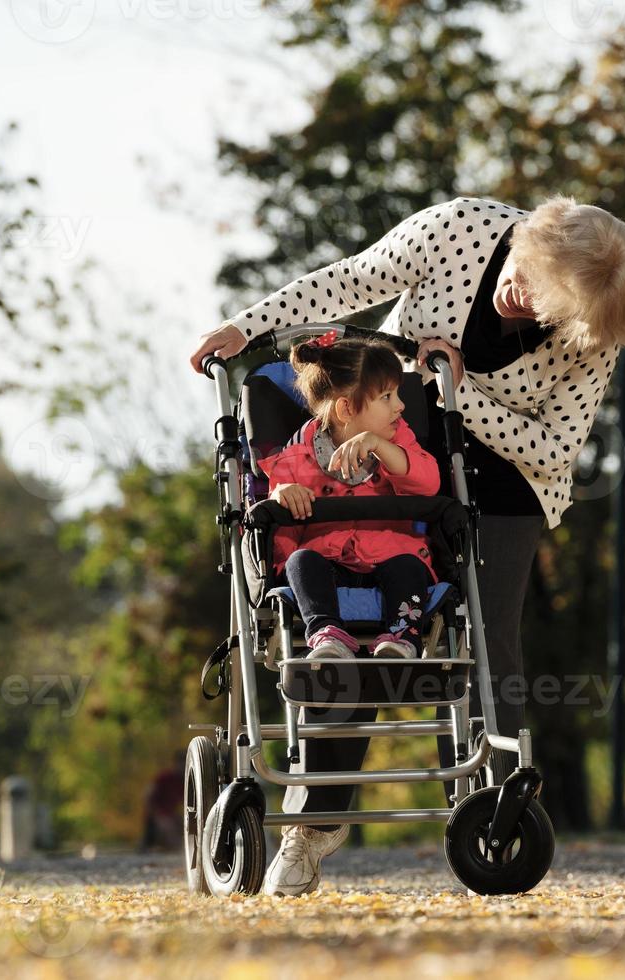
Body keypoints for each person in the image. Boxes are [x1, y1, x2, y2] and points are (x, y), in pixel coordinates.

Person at [191, 195, 625, 887]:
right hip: (401, 435)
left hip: (511, 477)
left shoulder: (591, 325)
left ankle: (495, 805)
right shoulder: (460, 228)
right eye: (525, 281)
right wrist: (247, 326)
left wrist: (458, 391)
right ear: (525, 239)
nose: (520, 303)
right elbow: (350, 281)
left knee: (488, 634)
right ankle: (314, 823)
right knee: (358, 621)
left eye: (542, 308)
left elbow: (556, 447)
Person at [254, 331, 441, 895]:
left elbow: (429, 481)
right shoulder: (295, 454)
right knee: (304, 562)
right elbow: (276, 483)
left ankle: (401, 635)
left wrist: (385, 451)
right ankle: (324, 632)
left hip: (390, 569)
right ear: (346, 408)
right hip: (329, 575)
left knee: (411, 569)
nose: (401, 405)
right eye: (388, 397)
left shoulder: (398, 441)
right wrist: (286, 493)